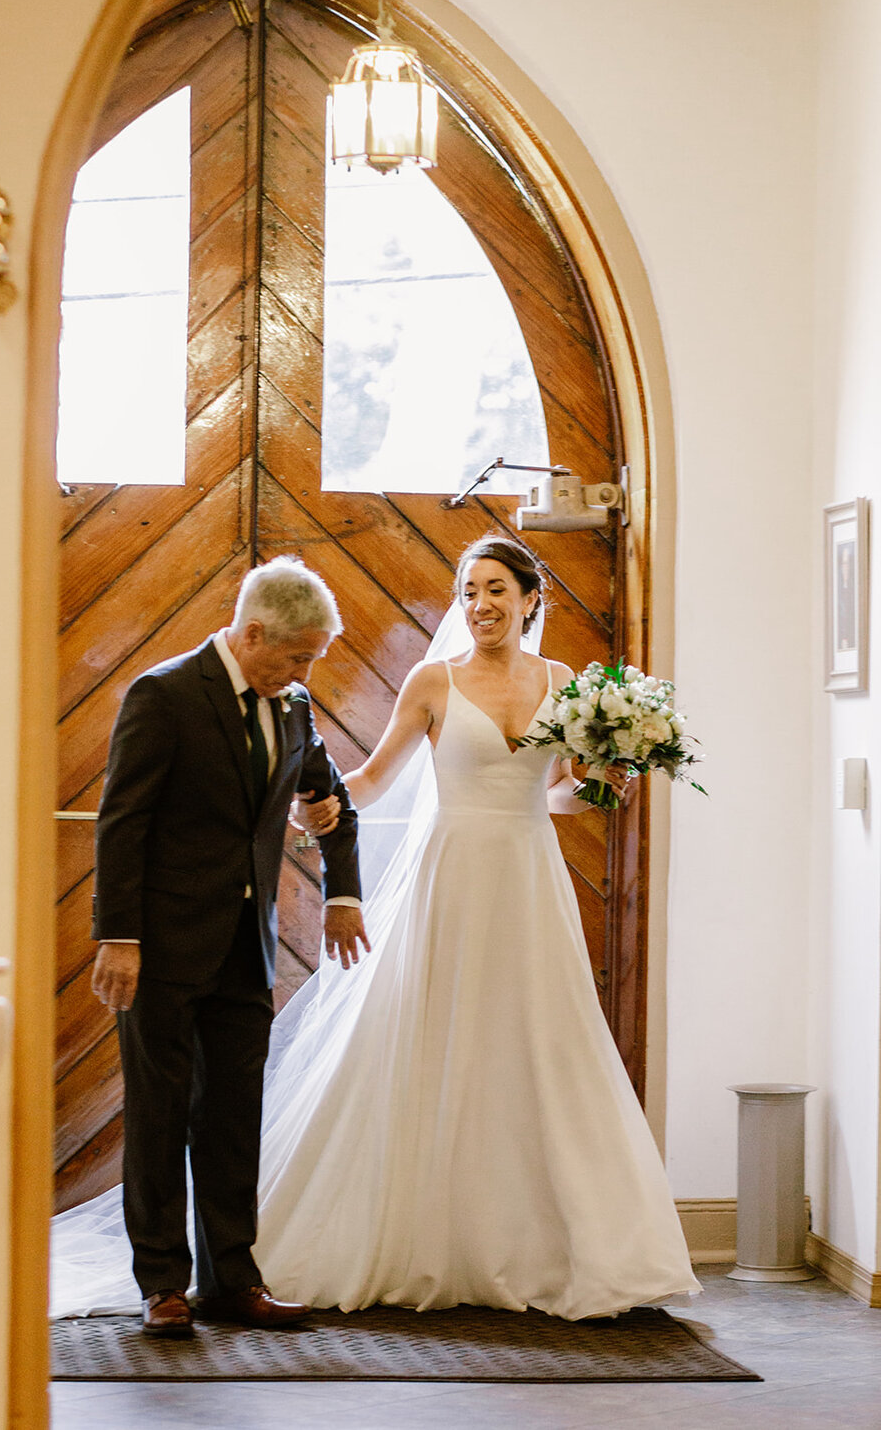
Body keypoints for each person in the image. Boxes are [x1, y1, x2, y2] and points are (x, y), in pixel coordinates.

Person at [255, 535, 699, 1318]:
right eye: (468, 591)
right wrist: (304, 798)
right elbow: (372, 777)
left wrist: (606, 785)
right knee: (434, 1039)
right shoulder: (433, 682)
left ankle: (562, 1244)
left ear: (531, 598)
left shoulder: (563, 683)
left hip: (527, 879)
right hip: (450, 875)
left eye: (496, 589)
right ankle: (417, 1235)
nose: (480, 605)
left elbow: (561, 794)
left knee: (540, 1044)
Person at [88, 556, 367, 1337]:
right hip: (161, 948)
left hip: (248, 950)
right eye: (296, 655)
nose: (305, 671)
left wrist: (342, 893)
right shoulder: (166, 694)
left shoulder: (293, 707)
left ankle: (232, 1280)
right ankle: (163, 1286)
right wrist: (119, 936)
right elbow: (124, 821)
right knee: (158, 1114)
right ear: (251, 634)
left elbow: (330, 800)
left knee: (233, 1117)